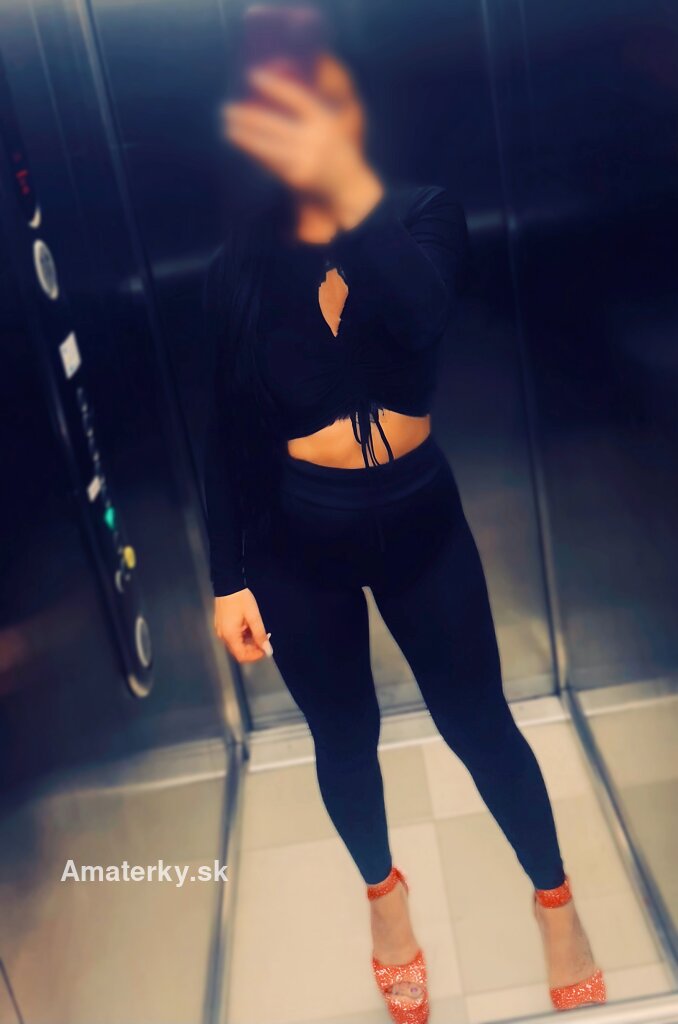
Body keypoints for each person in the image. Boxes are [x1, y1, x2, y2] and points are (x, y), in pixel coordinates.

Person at [202, 48, 606, 1024]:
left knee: (479, 723)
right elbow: (222, 428)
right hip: (295, 540)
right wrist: (226, 576)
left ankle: (555, 900)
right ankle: (387, 904)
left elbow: (423, 314)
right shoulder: (236, 268)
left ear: (351, 120)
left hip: (420, 520)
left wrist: (348, 197)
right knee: (344, 735)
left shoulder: (423, 216)